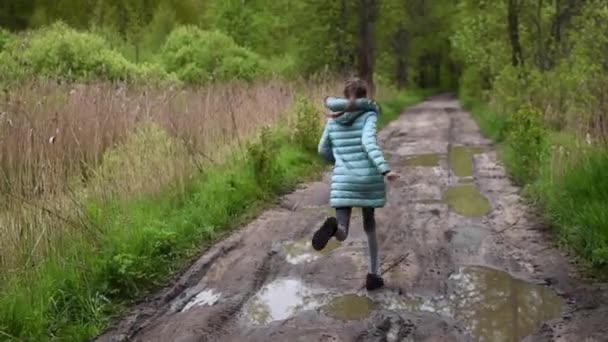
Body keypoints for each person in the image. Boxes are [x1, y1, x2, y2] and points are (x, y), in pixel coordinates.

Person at [313, 77, 399, 291]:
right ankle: (373, 275)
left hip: (343, 178)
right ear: (365, 96)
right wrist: (384, 169)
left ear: (345, 96)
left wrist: (340, 163)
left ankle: (334, 228)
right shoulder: (368, 115)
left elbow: (322, 150)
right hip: (367, 179)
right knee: (369, 225)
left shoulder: (333, 119)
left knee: (343, 229)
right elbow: (368, 143)